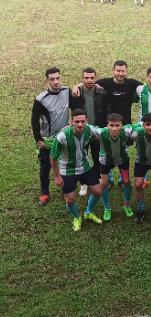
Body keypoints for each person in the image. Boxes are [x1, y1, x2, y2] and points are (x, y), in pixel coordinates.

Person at [50, 109, 103, 231]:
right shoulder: (62, 136)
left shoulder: (89, 129)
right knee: (70, 199)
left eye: (82, 121)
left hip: (85, 166)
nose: (80, 124)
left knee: (98, 191)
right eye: (77, 121)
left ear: (87, 121)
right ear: (71, 121)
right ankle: (77, 217)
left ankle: (88, 212)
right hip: (66, 170)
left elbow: (104, 131)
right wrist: (57, 176)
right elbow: (53, 158)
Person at [31, 67, 75, 206]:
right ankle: (44, 192)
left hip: (63, 138)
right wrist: (38, 139)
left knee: (65, 165)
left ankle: (65, 189)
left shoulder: (67, 92)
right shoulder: (41, 99)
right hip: (48, 140)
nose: (56, 82)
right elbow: (34, 120)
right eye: (52, 79)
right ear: (47, 81)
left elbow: (76, 108)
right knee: (45, 166)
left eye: (58, 78)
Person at [71, 67, 111, 195]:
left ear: (95, 78)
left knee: (97, 156)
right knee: (81, 157)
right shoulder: (76, 94)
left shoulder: (102, 93)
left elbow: (107, 111)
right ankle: (83, 183)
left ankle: (97, 179)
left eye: (92, 78)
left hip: (96, 132)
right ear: (82, 79)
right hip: (81, 132)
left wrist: (105, 129)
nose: (89, 80)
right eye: (86, 78)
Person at [96, 113, 134, 222]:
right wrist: (70, 126)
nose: (114, 128)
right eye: (111, 125)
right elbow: (87, 127)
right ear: (106, 125)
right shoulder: (101, 132)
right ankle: (107, 208)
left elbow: (140, 125)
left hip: (123, 159)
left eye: (117, 125)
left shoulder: (126, 131)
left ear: (121, 125)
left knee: (126, 181)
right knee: (104, 184)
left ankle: (126, 205)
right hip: (105, 160)